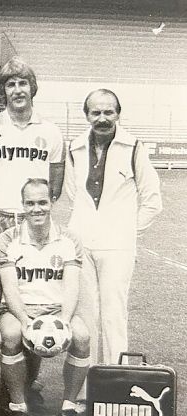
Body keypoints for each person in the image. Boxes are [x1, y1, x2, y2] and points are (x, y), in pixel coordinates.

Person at [64, 89, 162, 366]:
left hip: (118, 246)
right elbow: (74, 195)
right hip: (81, 243)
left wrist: (127, 231)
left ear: (118, 114)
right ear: (87, 115)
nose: (102, 118)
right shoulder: (75, 147)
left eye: (109, 112)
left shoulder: (133, 146)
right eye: (96, 112)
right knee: (85, 315)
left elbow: (152, 199)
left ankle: (114, 379)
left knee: (113, 314)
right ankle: (86, 385)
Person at [0, 178, 91, 416]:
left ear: (52, 202)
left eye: (42, 202)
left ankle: (69, 409)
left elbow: (71, 286)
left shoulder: (70, 239)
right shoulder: (7, 239)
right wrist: (27, 323)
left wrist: (64, 322)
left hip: (57, 310)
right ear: (22, 205)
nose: (37, 209)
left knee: (82, 336)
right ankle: (19, 408)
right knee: (12, 334)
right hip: (18, 310)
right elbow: (10, 288)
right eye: (30, 203)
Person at [0, 57, 64, 243]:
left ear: (32, 88)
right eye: (11, 85)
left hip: (33, 218)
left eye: (23, 84)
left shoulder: (51, 132)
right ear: (3, 91)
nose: (18, 90)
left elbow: (55, 184)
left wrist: (36, 209)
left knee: (33, 271)